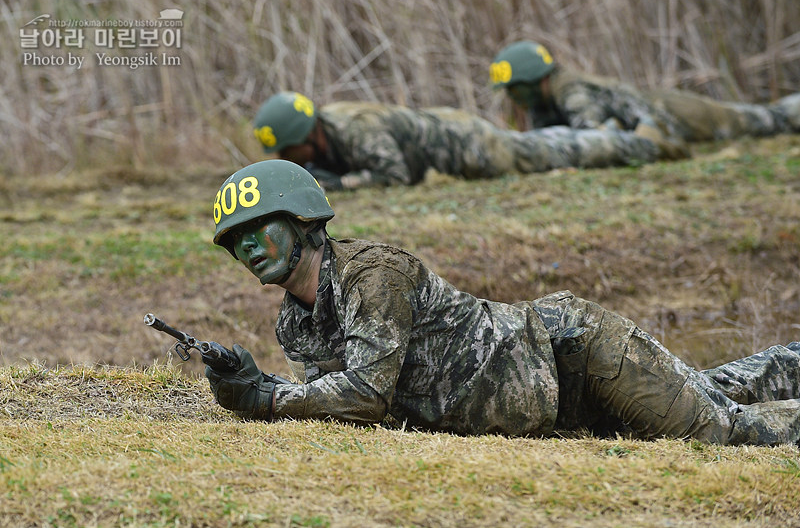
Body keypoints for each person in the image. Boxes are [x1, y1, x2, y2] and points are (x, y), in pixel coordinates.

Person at [204, 159, 800, 446]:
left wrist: (269, 398)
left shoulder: (372, 274)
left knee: (726, 436)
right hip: (555, 407)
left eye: (261, 229)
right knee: (719, 387)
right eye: (237, 241)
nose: (250, 247)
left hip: (577, 356)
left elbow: (367, 393)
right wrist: (259, 388)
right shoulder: (296, 323)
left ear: (305, 221)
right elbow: (336, 408)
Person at [251, 91, 681, 191]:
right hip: (455, 135)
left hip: (469, 145)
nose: (294, 160)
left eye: (291, 152)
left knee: (550, 153)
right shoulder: (326, 134)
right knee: (544, 145)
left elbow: (394, 176)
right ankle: (606, 134)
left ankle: (643, 143)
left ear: (307, 136)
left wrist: (343, 186)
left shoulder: (356, 128)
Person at [490, 40, 800, 143]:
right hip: (660, 107)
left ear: (533, 80)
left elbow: (593, 136)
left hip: (674, 111)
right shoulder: (545, 99)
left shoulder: (572, 91)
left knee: (760, 121)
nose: (512, 97)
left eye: (514, 89)